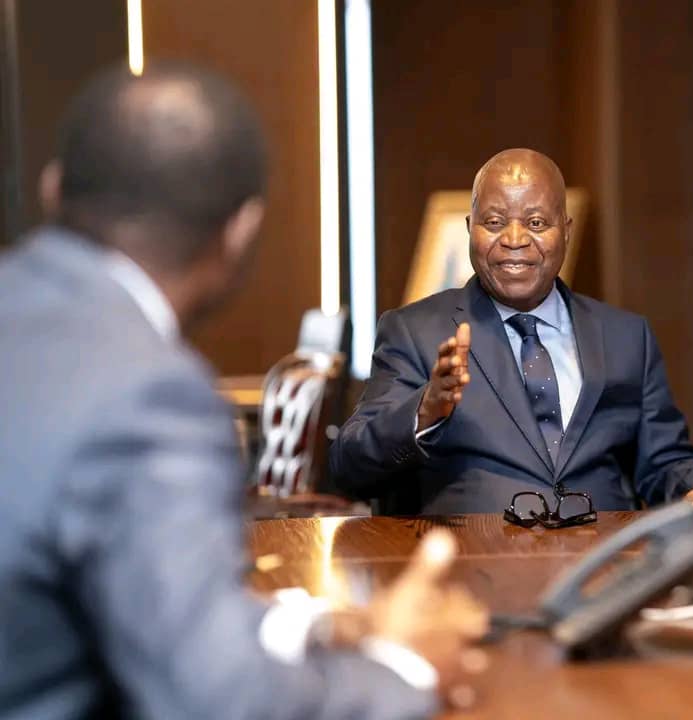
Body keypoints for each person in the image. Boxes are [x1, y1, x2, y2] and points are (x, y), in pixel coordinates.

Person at [0, 62, 486, 719]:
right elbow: (216, 700)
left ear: (52, 188)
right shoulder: (148, 394)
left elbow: (140, 600)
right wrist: (405, 667)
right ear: (240, 231)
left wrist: (323, 627)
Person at [331, 148, 693, 516]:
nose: (514, 239)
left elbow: (665, 458)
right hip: (470, 572)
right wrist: (424, 411)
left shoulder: (628, 337)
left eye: (536, 223)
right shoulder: (414, 331)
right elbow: (348, 467)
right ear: (470, 229)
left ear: (565, 231)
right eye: (494, 222)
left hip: (603, 571)